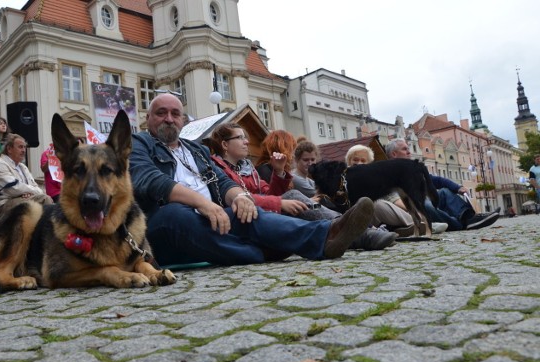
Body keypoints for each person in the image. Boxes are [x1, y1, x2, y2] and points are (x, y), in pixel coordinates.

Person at [129, 93, 375, 266]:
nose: (169, 118)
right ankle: (261, 252)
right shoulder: (139, 143)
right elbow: (151, 181)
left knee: (246, 212)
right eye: (161, 113)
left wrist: (240, 197)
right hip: (163, 227)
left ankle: (327, 235)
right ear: (148, 117)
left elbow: (222, 182)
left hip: (212, 218)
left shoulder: (196, 150)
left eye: (175, 113)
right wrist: (204, 204)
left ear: (183, 119)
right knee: (176, 213)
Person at [209, 123, 397, 250]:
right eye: (240, 138)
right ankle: (363, 233)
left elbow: (270, 193)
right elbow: (239, 199)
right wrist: (280, 203)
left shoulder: (247, 168)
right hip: (245, 221)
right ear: (225, 144)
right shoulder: (218, 168)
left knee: (294, 196)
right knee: (294, 196)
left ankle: (363, 232)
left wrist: (279, 172)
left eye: (246, 137)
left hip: (263, 215)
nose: (247, 142)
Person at [385, 139, 499, 231]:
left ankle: (470, 218)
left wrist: (458, 187)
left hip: (426, 203)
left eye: (408, 148)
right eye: (405, 149)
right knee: (426, 205)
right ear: (394, 154)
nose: (409, 152)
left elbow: (437, 180)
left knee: (444, 192)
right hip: (409, 210)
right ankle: (461, 225)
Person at [345, 144, 421, 236]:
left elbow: (395, 199)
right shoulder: (343, 179)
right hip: (357, 218)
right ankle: (413, 225)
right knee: (372, 204)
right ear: (349, 161)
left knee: (377, 204)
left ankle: (414, 223)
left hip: (379, 217)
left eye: (363, 161)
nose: (359, 163)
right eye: (355, 160)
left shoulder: (375, 178)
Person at [0, 133, 53, 218]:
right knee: (44, 199)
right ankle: (49, 230)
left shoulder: (23, 167)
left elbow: (33, 185)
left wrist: (29, 193)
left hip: (20, 201)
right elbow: (14, 188)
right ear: (9, 149)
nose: (24, 150)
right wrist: (31, 192)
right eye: (20, 147)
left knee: (48, 200)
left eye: (24, 147)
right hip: (3, 205)